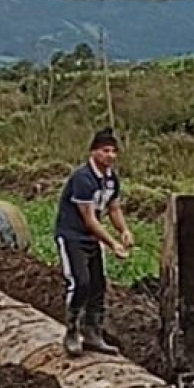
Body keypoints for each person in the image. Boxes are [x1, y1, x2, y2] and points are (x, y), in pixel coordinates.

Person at [54, 129, 133, 358]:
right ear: (94, 152)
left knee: (98, 285)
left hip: (92, 238)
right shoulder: (83, 178)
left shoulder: (111, 179)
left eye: (113, 151)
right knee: (80, 282)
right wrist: (113, 244)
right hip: (73, 236)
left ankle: (93, 333)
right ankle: (71, 331)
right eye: (105, 150)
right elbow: (89, 219)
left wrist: (124, 230)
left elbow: (114, 208)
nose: (110, 156)